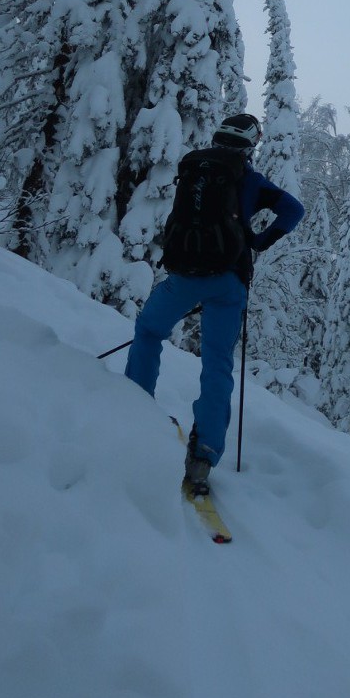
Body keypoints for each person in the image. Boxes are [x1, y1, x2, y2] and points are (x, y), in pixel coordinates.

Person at [125, 112, 305, 494]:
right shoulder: (251, 179)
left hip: (184, 277)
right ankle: (205, 454)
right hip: (228, 282)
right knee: (217, 364)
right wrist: (260, 241)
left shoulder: (194, 166)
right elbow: (294, 210)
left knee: (148, 332)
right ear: (251, 144)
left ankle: (132, 409)